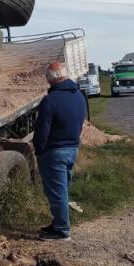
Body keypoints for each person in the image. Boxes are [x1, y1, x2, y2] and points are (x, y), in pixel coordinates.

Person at [34, 62, 87, 241]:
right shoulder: (79, 96)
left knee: (57, 192)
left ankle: (62, 230)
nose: (46, 81)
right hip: (72, 149)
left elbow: (42, 130)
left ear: (51, 77)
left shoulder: (51, 100)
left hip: (55, 151)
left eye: (47, 77)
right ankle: (58, 222)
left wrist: (39, 150)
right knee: (61, 190)